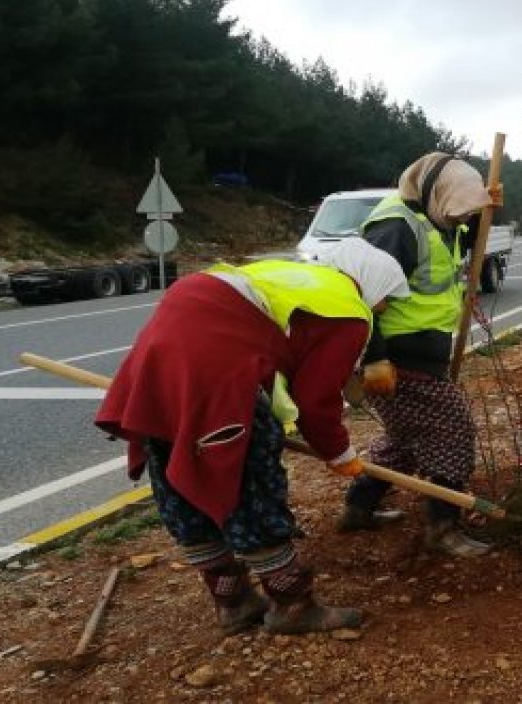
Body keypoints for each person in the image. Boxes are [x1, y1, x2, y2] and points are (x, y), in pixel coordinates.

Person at [95, 238, 409, 636]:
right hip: (214, 363)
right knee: (250, 482)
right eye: (387, 299)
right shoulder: (349, 309)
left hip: (171, 337)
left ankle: (234, 602)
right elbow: (315, 400)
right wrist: (339, 454)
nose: (384, 308)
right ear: (372, 283)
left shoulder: (296, 277)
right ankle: (292, 605)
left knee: (181, 474)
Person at [338, 152, 497, 558]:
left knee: (406, 440)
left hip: (422, 357)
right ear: (435, 193)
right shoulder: (395, 229)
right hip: (394, 361)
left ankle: (359, 507)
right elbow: (360, 295)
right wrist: (373, 359)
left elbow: (469, 229)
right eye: (458, 209)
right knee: (451, 431)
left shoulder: (436, 218)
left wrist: (485, 203)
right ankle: (442, 529)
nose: (462, 218)